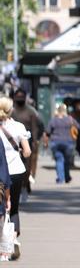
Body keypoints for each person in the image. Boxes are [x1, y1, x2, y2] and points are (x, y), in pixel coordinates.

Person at [0, 96, 32, 259]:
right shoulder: (18, 127)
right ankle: (13, 238)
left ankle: (3, 243)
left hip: (0, 173)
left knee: (1, 207)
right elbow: (27, 152)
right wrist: (17, 151)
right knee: (13, 208)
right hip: (16, 171)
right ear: (10, 110)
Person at [9, 89, 43, 197]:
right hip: (12, 142)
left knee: (27, 166)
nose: (19, 99)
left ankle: (25, 184)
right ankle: (16, 187)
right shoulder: (11, 110)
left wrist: (35, 141)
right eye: (17, 97)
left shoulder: (31, 111)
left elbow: (35, 127)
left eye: (21, 97)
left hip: (27, 141)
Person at [46, 104, 80, 184]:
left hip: (56, 142)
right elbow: (78, 127)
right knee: (67, 161)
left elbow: (48, 131)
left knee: (59, 160)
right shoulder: (70, 119)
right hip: (68, 143)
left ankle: (60, 178)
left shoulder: (53, 120)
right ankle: (67, 177)